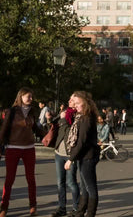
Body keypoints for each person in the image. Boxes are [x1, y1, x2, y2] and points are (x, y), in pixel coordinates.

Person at [0, 87, 46, 216]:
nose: (31, 99)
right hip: (13, 148)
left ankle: (33, 207)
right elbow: (3, 130)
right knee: (9, 179)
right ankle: (4, 207)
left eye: (31, 96)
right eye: (28, 96)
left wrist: (49, 136)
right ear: (20, 97)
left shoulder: (32, 112)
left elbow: (36, 129)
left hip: (29, 148)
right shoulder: (11, 112)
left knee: (31, 179)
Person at [64, 91, 101, 217]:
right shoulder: (80, 116)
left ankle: (90, 214)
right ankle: (80, 212)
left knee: (90, 188)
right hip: (84, 156)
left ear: (85, 104)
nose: (75, 106)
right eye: (75, 103)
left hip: (88, 156)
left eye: (78, 103)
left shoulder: (86, 117)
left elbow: (81, 141)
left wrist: (70, 159)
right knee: (84, 187)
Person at [52, 95, 80, 217]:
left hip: (70, 155)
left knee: (71, 182)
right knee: (60, 183)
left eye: (72, 100)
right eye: (69, 99)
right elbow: (57, 127)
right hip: (59, 153)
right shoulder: (66, 113)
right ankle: (62, 207)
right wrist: (53, 119)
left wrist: (63, 120)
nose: (69, 101)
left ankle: (76, 209)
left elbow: (72, 133)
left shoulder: (78, 115)